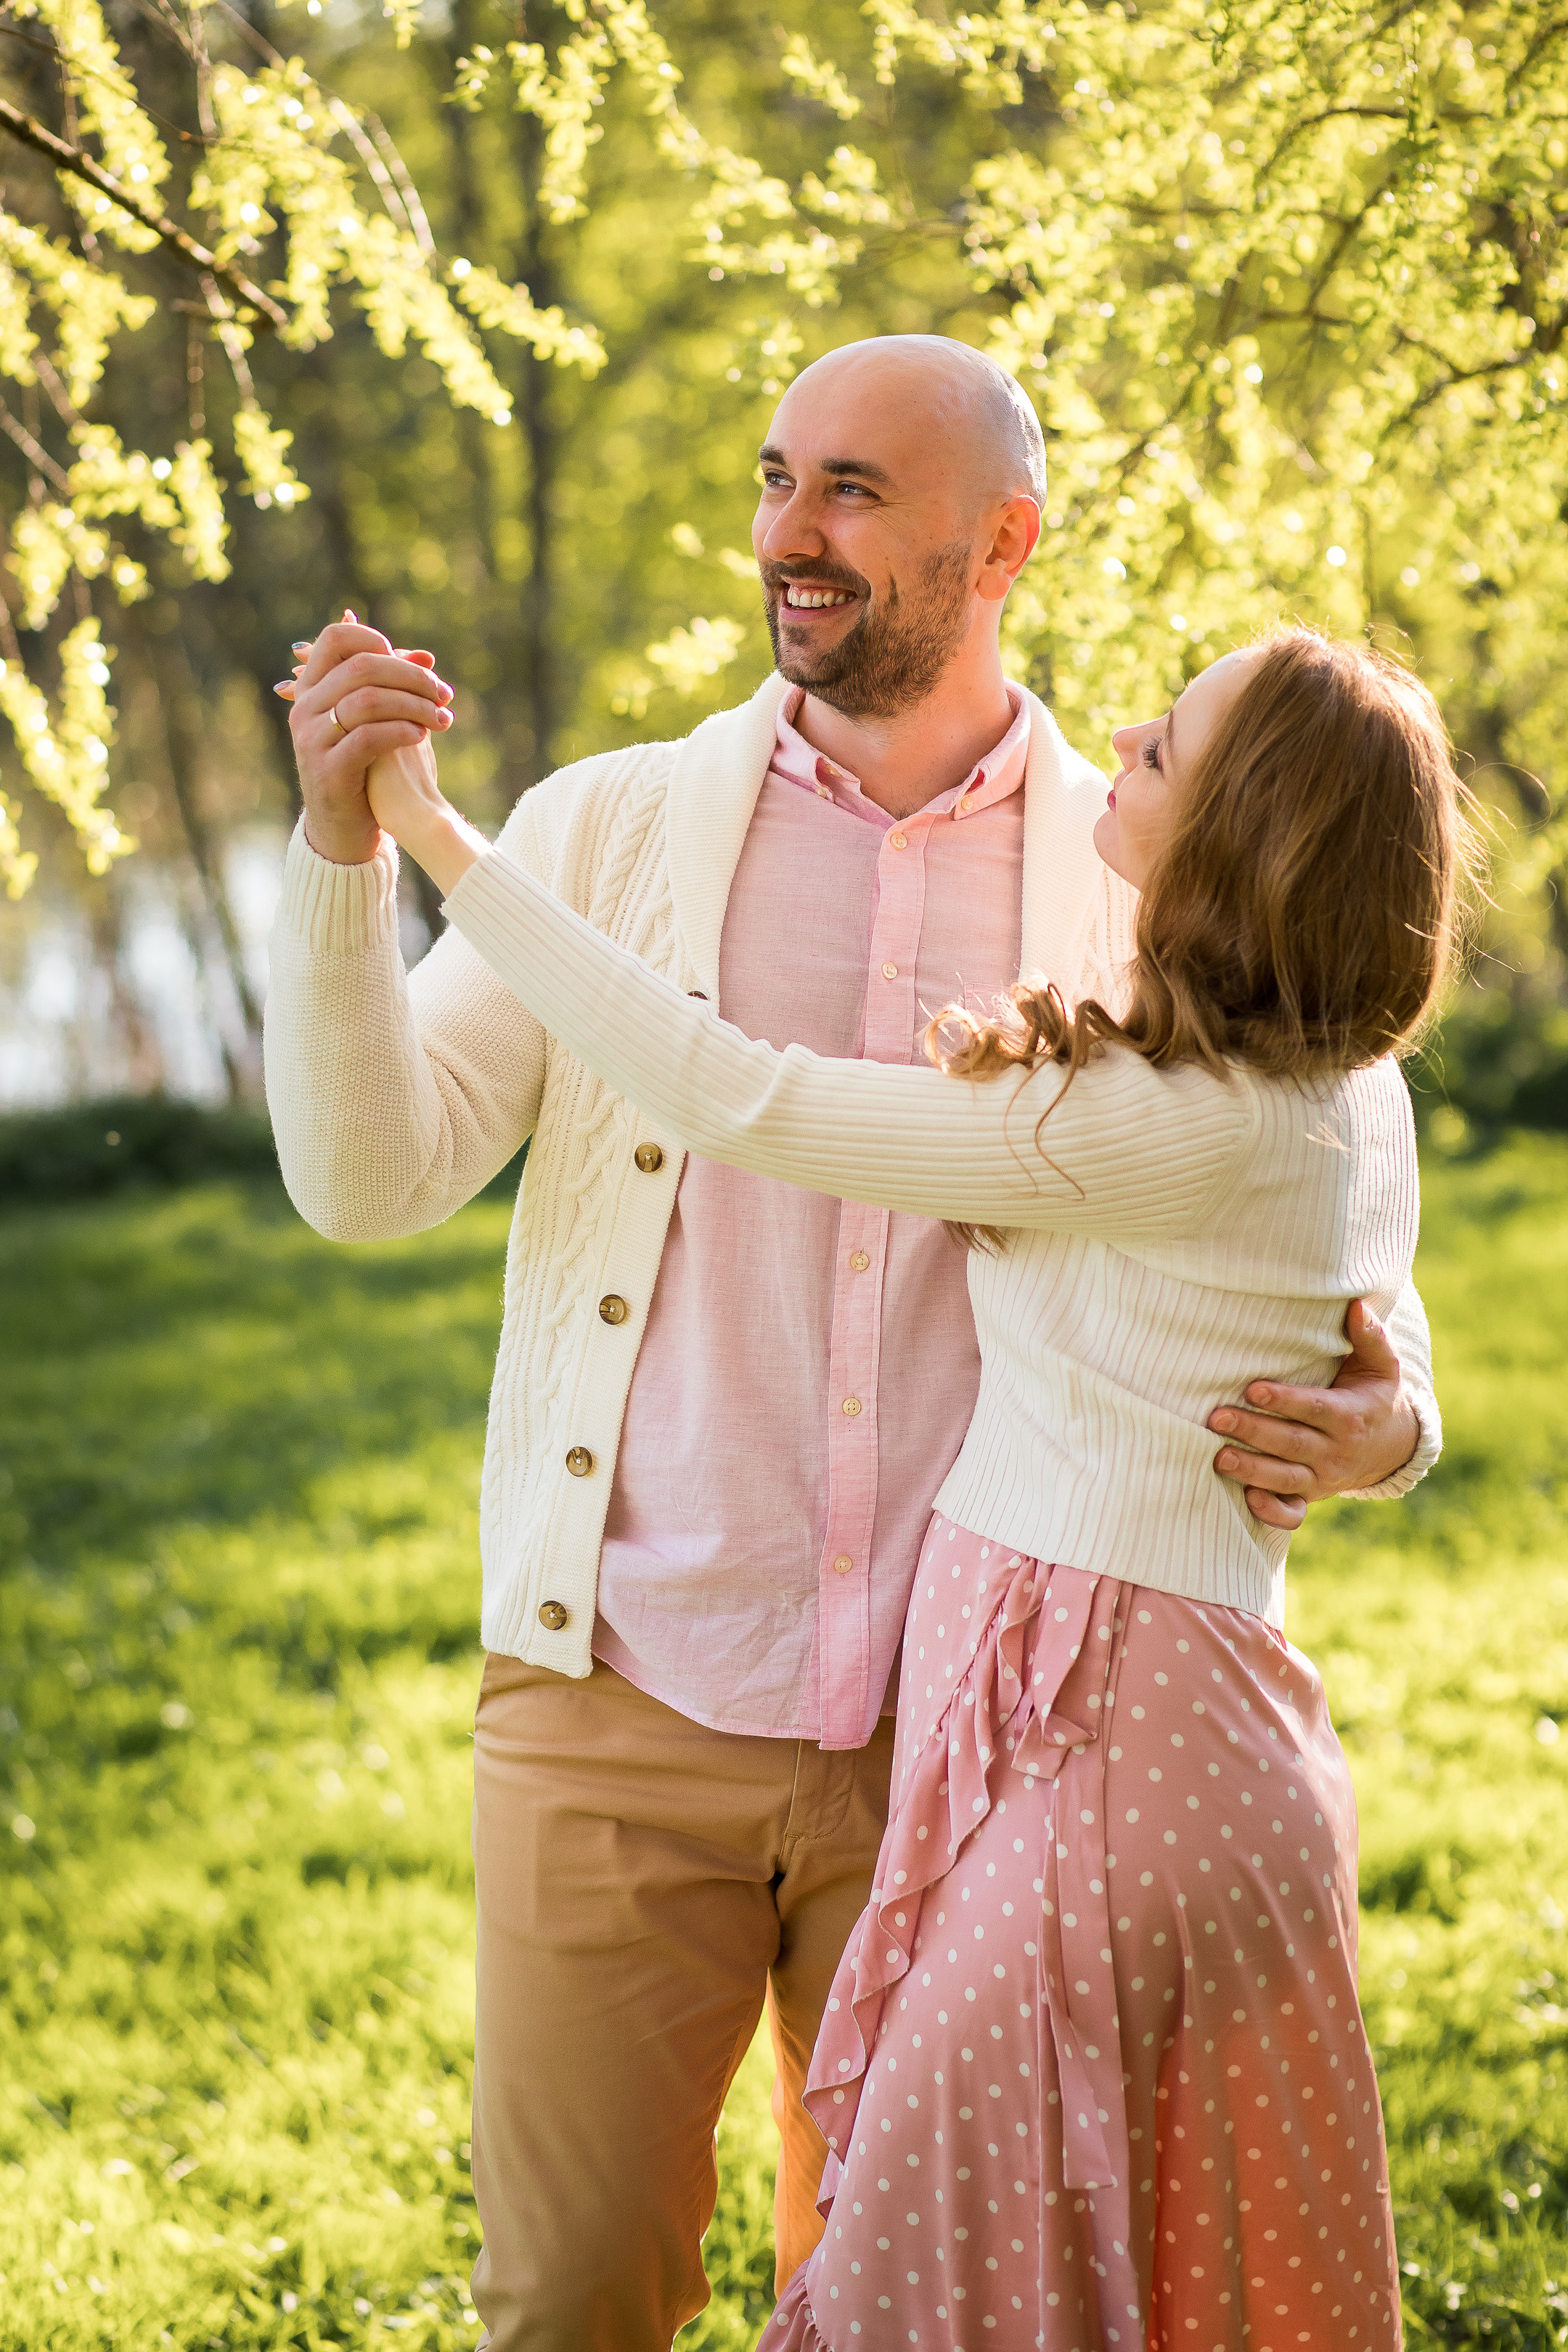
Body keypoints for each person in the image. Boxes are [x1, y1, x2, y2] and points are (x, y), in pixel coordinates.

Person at [265, 335, 1438, 2351]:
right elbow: (370, 1182)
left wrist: (1391, 1416)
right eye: (775, 474)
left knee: (923, 2302)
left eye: (853, 493)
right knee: (570, 2304)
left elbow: (1347, 1223)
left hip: (966, 1749)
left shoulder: (1158, 868)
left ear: (1006, 544)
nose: (787, 536)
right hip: (628, 1698)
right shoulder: (613, 827)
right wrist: (353, 857)